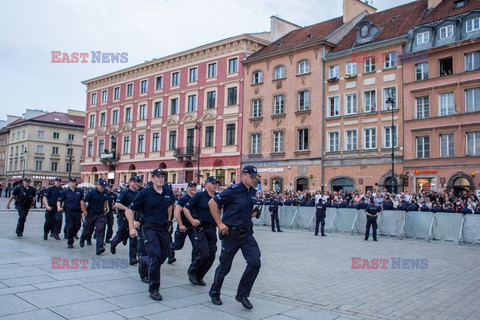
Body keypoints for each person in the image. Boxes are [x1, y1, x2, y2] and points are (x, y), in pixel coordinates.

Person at [208, 165, 261, 310]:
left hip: (247, 234)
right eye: (251, 176)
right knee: (225, 267)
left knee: (255, 262)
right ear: (243, 176)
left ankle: (242, 294)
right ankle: (214, 292)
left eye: (255, 177)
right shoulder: (232, 190)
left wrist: (252, 214)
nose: (253, 179)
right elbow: (212, 203)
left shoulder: (253, 192)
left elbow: (241, 210)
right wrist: (219, 223)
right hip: (231, 234)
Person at [127, 169, 174, 301]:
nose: (161, 179)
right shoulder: (145, 193)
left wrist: (169, 220)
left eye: (162, 177)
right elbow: (130, 210)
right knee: (155, 256)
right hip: (149, 228)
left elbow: (170, 205)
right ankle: (154, 289)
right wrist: (131, 227)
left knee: (163, 256)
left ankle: (143, 261)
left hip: (163, 228)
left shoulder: (167, 192)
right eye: (158, 177)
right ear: (152, 178)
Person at [182, 176, 219, 286]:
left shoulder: (218, 197)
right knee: (204, 253)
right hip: (201, 227)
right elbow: (185, 208)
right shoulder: (200, 196)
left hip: (212, 228)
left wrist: (219, 222)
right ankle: (192, 271)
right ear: (206, 184)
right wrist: (192, 220)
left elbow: (220, 209)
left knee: (212, 254)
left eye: (216, 183)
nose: (214, 185)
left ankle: (200, 276)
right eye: (212, 183)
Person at [110, 177, 139, 265]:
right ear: (130, 183)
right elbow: (117, 204)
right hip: (123, 217)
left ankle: (133, 258)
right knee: (121, 234)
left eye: (138, 182)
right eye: (134, 182)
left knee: (134, 237)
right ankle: (113, 243)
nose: (136, 184)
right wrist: (127, 209)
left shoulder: (139, 193)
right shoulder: (125, 192)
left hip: (134, 218)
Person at [170, 181, 198, 264]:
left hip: (193, 226)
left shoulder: (197, 198)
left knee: (197, 246)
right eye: (191, 187)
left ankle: (194, 265)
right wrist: (181, 224)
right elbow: (177, 211)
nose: (193, 188)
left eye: (194, 187)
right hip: (184, 226)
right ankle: (168, 250)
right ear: (188, 188)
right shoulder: (184, 199)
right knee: (178, 246)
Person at [80, 179, 109, 255]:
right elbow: (83, 201)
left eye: (104, 187)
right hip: (91, 214)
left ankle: (99, 247)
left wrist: (106, 208)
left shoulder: (105, 193)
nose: (102, 188)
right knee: (88, 230)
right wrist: (85, 211)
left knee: (100, 229)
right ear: (98, 185)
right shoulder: (91, 193)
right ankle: (83, 238)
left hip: (100, 214)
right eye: (101, 186)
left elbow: (106, 201)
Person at [57, 178, 84, 248]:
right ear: (69, 183)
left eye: (74, 182)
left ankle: (72, 235)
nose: (73, 183)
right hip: (69, 211)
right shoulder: (65, 192)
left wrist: (83, 209)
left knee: (78, 226)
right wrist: (58, 207)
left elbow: (82, 200)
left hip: (77, 211)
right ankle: (70, 242)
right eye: (72, 182)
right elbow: (59, 200)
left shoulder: (79, 191)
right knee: (70, 226)